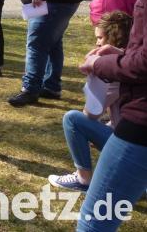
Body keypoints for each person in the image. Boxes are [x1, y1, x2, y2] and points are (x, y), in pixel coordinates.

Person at [76, 0, 147, 231]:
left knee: (94, 223)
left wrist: (101, 65)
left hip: (141, 122)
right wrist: (122, 54)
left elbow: (143, 63)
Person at [48, 11, 132, 192]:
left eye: (100, 38)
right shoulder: (134, 62)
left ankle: (82, 179)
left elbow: (92, 112)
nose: (97, 43)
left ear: (113, 38)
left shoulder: (113, 69)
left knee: (72, 119)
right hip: (137, 141)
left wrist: (93, 76)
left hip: (131, 145)